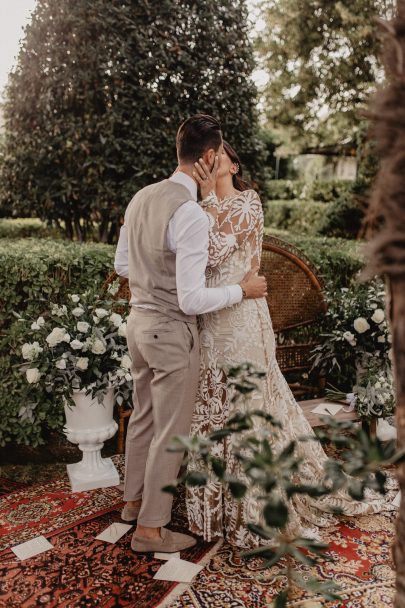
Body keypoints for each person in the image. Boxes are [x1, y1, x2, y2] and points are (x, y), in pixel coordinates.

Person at [186, 140, 396, 548]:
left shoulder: (247, 203)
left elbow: (213, 252)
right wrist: (203, 203)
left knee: (248, 404)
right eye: (206, 158)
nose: (211, 163)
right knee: (214, 403)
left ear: (233, 163)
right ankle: (216, 508)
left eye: (219, 156)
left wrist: (208, 199)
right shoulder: (199, 207)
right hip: (210, 317)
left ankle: (258, 509)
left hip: (243, 319)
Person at [113, 115, 267, 554]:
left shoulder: (141, 197)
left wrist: (153, 269)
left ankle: (132, 502)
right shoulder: (190, 214)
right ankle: (150, 530)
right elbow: (192, 299)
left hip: (137, 327)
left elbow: (124, 265)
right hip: (169, 331)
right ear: (210, 157)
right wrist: (243, 289)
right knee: (172, 430)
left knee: (143, 417)